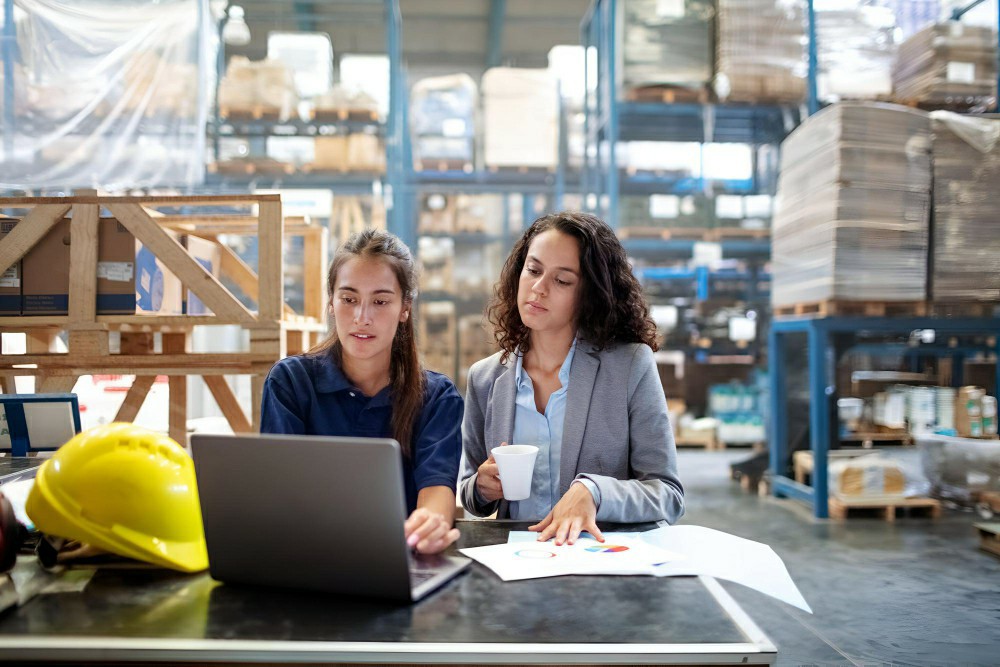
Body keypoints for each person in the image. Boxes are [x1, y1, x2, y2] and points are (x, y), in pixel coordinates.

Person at [459, 211, 684, 546]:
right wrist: (481, 486)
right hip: (521, 563)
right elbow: (469, 491)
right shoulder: (485, 378)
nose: (538, 288)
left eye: (561, 280)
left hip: (603, 563)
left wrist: (595, 492)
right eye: (533, 270)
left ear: (589, 295)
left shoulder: (630, 365)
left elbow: (668, 493)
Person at [261, 229, 462, 555]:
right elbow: (278, 493)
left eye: (381, 301)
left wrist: (430, 525)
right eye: (349, 299)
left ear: (404, 309)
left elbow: (436, 490)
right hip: (307, 559)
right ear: (331, 302)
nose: (361, 317)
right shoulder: (290, 383)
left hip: (399, 560)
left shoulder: (437, 398)